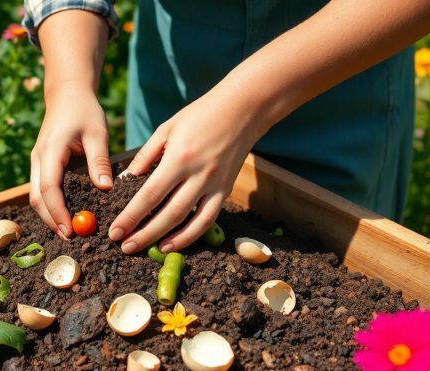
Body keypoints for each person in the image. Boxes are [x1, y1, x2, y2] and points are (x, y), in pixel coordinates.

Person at [23, 0, 430, 254]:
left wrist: (247, 102)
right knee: (148, 208)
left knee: (327, 254)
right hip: (174, 77)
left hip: (337, 74)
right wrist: (69, 81)